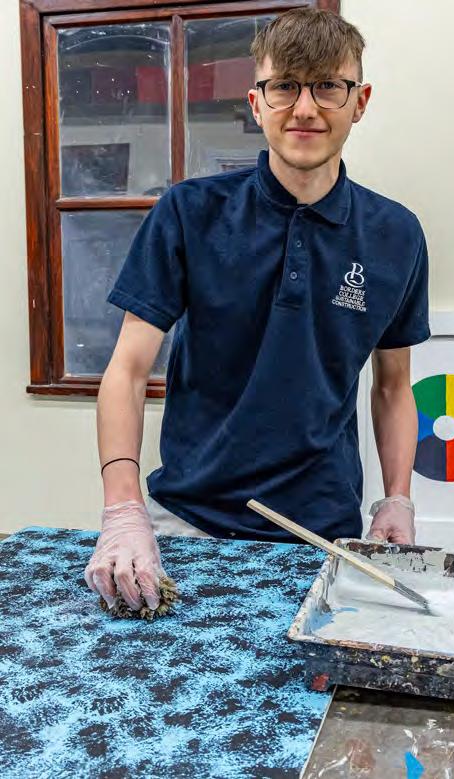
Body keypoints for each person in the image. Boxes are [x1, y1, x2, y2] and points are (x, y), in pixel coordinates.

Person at [84, 8, 430, 612]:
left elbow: (393, 386)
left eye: (328, 86)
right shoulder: (188, 213)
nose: (305, 108)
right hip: (185, 523)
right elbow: (128, 370)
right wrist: (122, 510)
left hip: (325, 533)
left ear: (360, 100)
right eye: (285, 86)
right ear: (256, 101)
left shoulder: (396, 235)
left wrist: (397, 498)